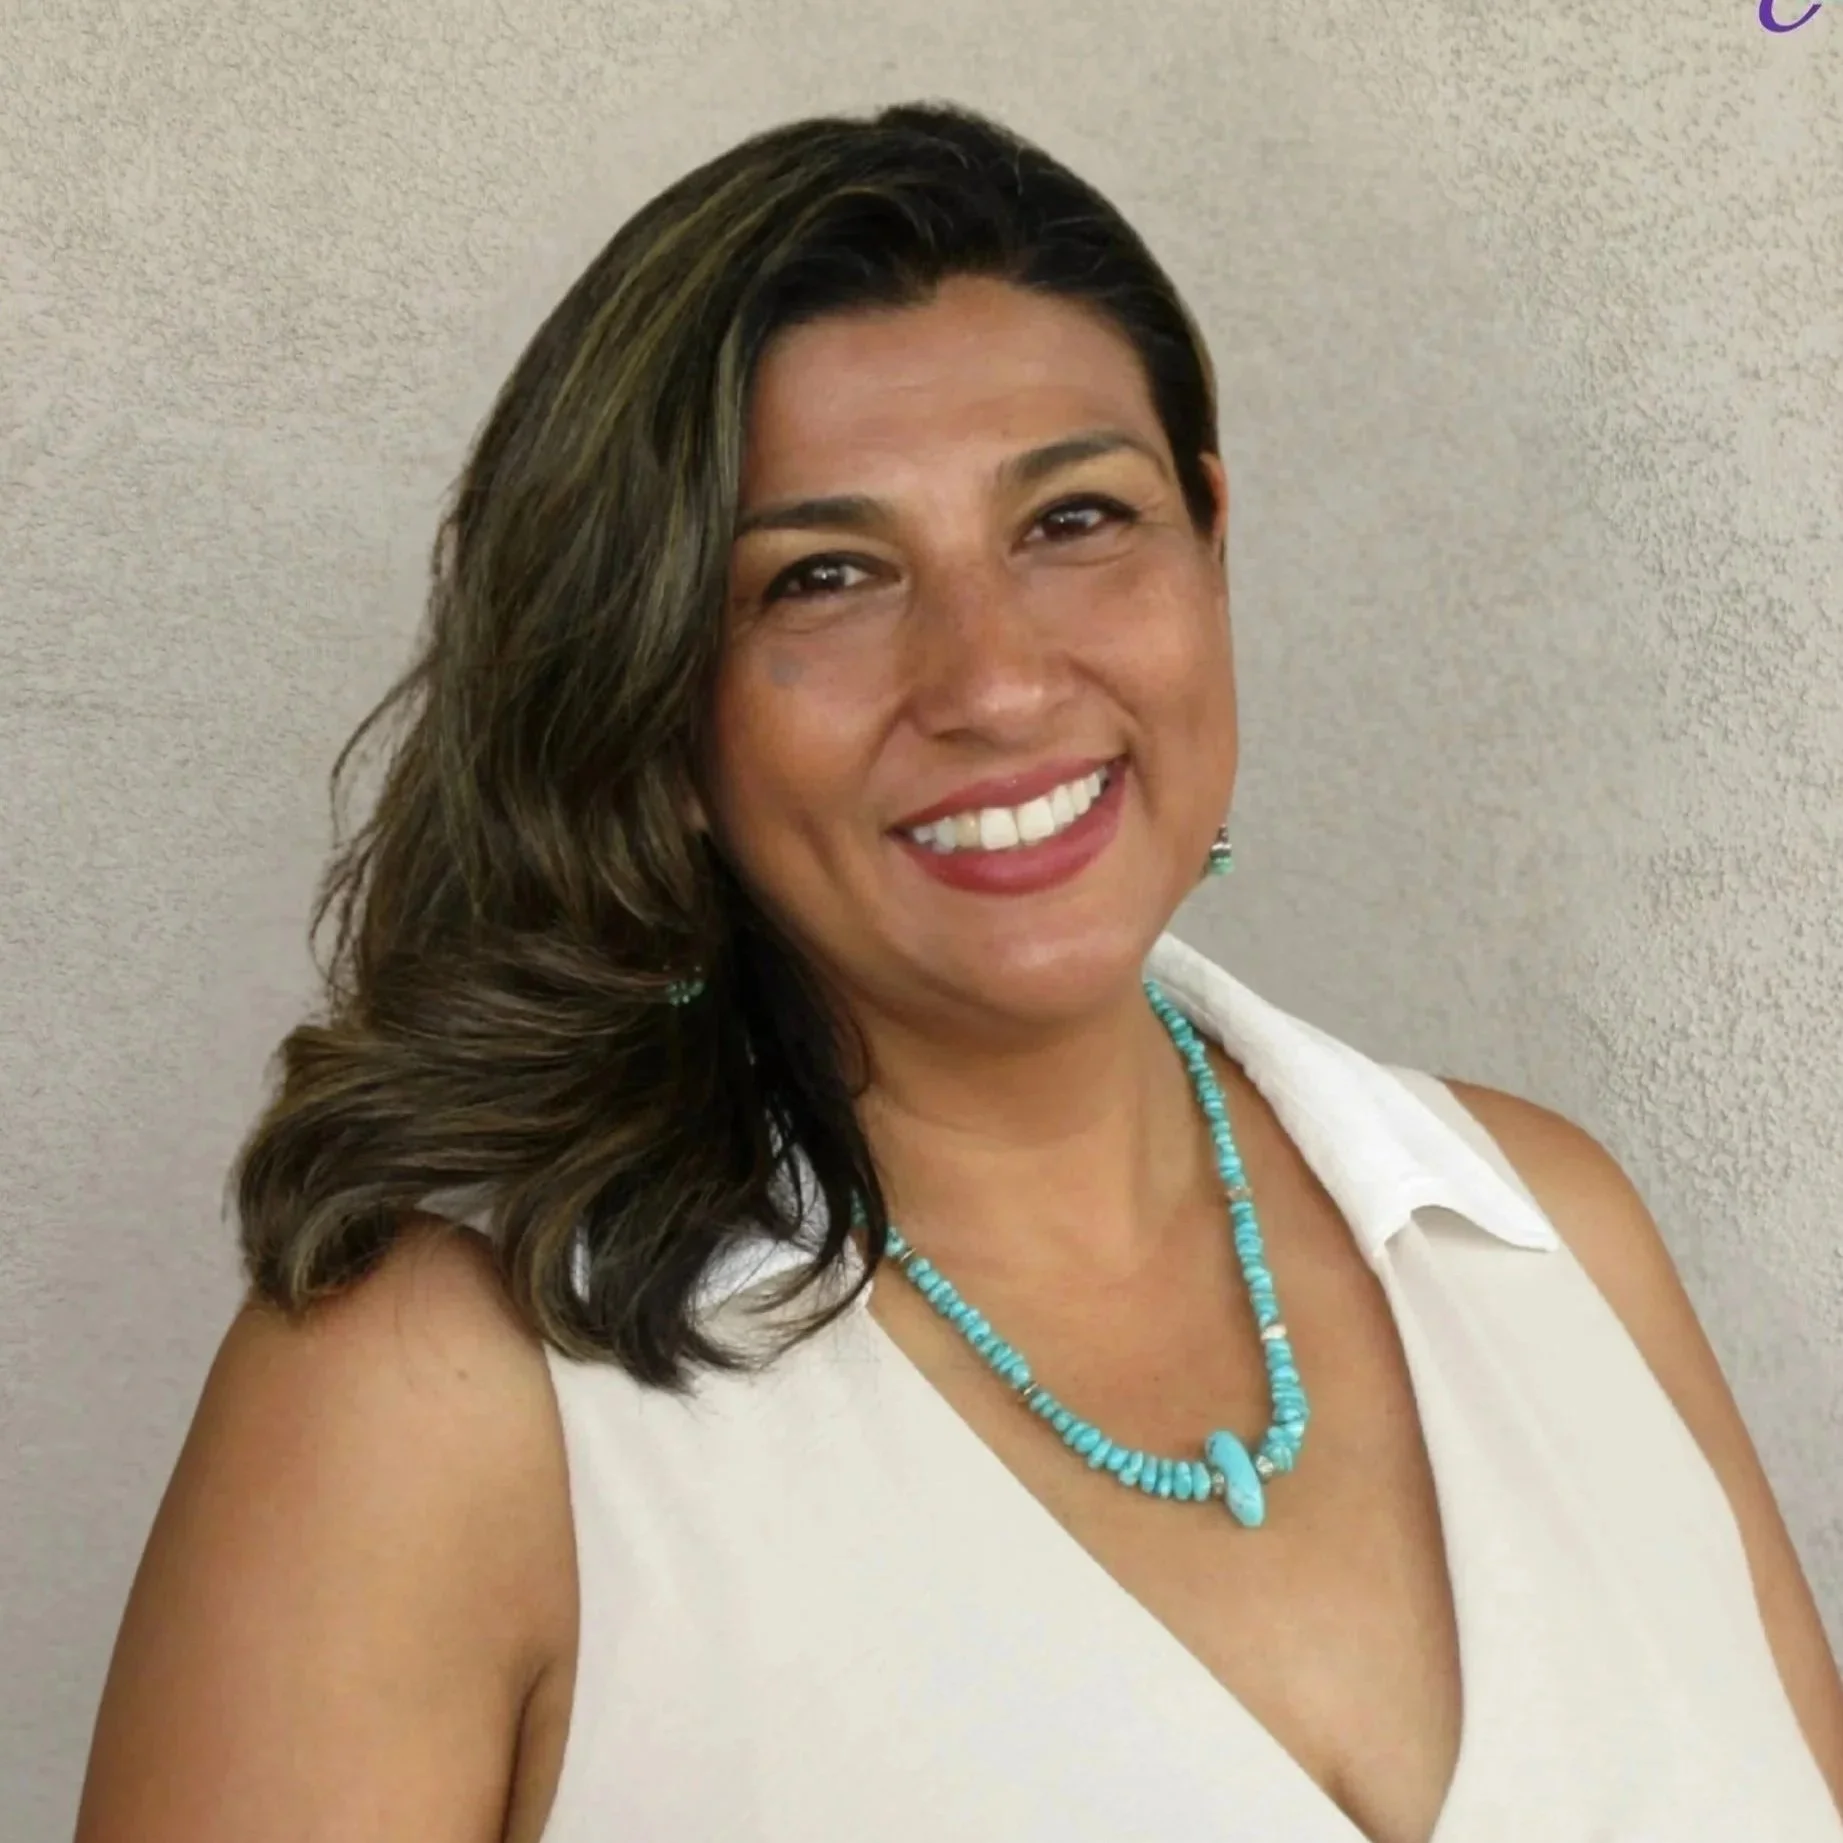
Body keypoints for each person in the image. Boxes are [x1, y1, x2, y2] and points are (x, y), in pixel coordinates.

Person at [75, 103, 1843, 1843]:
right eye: (824, 576)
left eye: (1074, 521)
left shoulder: (1542, 1235)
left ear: (1210, 545)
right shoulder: (439, 1396)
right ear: (656, 701)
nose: (994, 679)